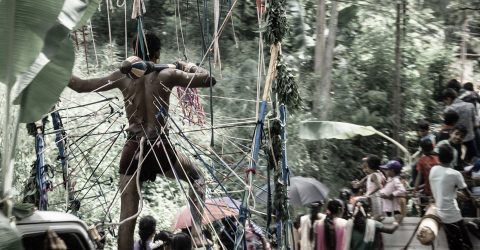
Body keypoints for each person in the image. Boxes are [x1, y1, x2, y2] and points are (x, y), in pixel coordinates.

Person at [67, 32, 216, 250]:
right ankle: (196, 236)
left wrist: (54, 71)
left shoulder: (123, 76)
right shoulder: (167, 74)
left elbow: (81, 85)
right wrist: (186, 66)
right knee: (197, 178)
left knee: (127, 218)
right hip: (160, 148)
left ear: (134, 53)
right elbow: (208, 78)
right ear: (157, 54)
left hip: (133, 148)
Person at [429, 144, 473, 250]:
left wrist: (455, 192)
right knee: (466, 246)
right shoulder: (455, 174)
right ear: (452, 158)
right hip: (453, 215)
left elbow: (442, 188)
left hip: (440, 213)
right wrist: (472, 199)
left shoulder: (433, 170)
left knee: (453, 245)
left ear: (439, 157)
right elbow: (468, 194)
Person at [442, 88, 478, 162]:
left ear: (448, 99)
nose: (446, 103)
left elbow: (447, 127)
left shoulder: (448, 110)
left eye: (445, 101)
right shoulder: (470, 105)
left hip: (456, 141)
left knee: (457, 162)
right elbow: (475, 123)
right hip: (470, 139)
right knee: (475, 161)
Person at [351, 155, 385, 220]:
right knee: (375, 214)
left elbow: (379, 186)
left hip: (375, 197)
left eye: (366, 166)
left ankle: (369, 225)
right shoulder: (371, 175)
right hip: (372, 197)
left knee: (377, 215)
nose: (365, 169)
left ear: (370, 166)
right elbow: (359, 184)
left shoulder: (374, 175)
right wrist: (356, 184)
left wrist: (369, 193)